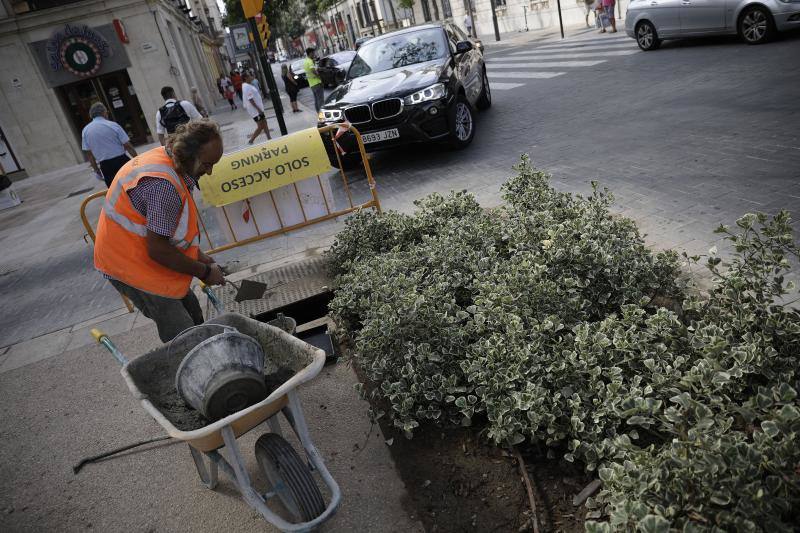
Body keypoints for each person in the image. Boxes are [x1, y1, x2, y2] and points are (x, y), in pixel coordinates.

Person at [93, 120, 226, 342]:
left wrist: (201, 259)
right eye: (207, 164)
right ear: (189, 154)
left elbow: (168, 235)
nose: (210, 171)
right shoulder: (162, 186)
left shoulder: (172, 160)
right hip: (127, 263)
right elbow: (158, 249)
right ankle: (188, 367)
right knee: (181, 329)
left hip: (140, 252)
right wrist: (203, 272)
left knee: (192, 310)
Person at [81, 102, 138, 188]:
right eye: (106, 111)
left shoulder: (86, 131)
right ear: (103, 112)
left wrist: (97, 170)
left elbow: (89, 154)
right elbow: (127, 146)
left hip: (105, 166)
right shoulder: (113, 125)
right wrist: (137, 160)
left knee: (115, 192)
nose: (107, 113)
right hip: (121, 161)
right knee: (132, 186)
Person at [242, 72, 272, 144]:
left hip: (258, 109)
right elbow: (250, 99)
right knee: (260, 126)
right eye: (249, 76)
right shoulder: (246, 87)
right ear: (246, 78)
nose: (251, 77)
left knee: (264, 123)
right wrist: (258, 109)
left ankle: (269, 138)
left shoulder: (248, 85)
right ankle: (251, 140)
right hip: (255, 111)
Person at [303, 47, 324, 113]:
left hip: (312, 84)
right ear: (310, 53)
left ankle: (318, 113)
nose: (314, 54)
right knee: (321, 100)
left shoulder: (305, 61)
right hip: (317, 83)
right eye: (313, 53)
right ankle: (322, 116)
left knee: (316, 100)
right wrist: (320, 77)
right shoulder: (310, 61)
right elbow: (313, 71)